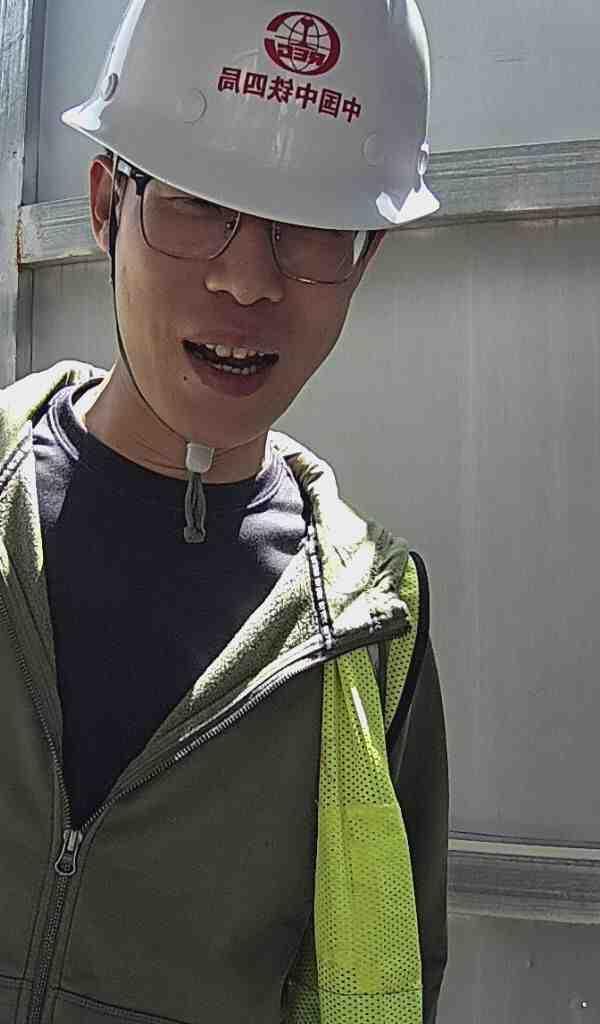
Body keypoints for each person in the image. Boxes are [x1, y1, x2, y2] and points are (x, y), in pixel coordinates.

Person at [0, 1, 448, 1022]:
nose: (247, 280)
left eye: (310, 229)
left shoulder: (371, 629)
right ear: (107, 206)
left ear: (365, 258)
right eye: (199, 204)